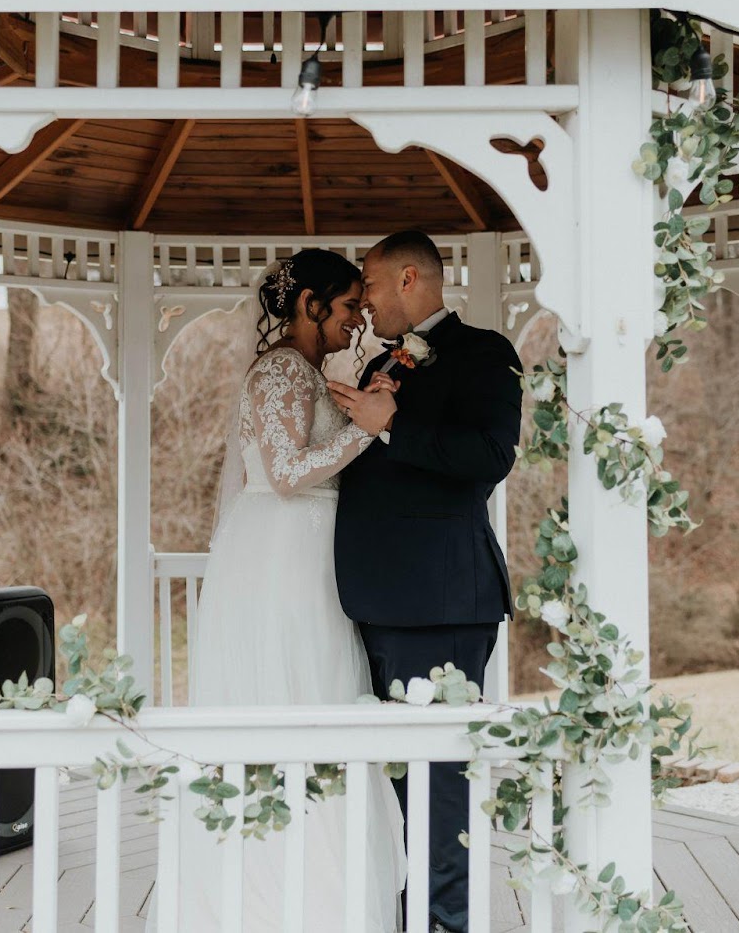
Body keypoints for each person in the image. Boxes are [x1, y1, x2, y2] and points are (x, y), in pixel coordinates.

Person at [149, 248, 405, 933]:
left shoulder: (309, 370)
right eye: (348, 306)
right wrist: (367, 431)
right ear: (309, 304)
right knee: (295, 694)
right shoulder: (283, 371)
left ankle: (320, 892)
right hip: (285, 559)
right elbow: (289, 472)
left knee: (317, 693)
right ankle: (278, 897)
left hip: (306, 552)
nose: (358, 320)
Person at [328, 230, 523, 933]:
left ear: (408, 278)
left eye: (371, 287)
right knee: (404, 783)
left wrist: (391, 427)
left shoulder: (486, 354)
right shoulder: (385, 359)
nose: (366, 303)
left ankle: (449, 924)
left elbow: (489, 456)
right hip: (378, 603)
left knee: (441, 784)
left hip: (441, 604)